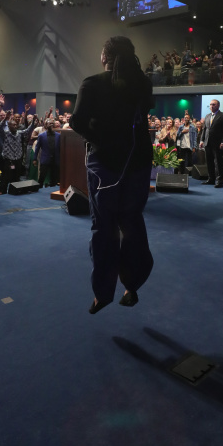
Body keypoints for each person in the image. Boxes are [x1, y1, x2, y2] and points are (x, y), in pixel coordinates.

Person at [70, 36, 153, 314]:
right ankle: (133, 285)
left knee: (104, 227)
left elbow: (77, 121)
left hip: (105, 164)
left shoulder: (92, 83)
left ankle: (103, 293)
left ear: (104, 57)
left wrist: (100, 140)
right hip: (138, 162)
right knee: (132, 221)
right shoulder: (143, 83)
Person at [202, 99, 223, 187]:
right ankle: (211, 179)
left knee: (218, 162)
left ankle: (219, 181)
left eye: (214, 104)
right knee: (209, 162)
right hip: (207, 142)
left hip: (218, 143)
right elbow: (205, 129)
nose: (211, 106)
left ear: (218, 106)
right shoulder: (207, 116)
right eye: (210, 104)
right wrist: (202, 140)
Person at [33, 120, 61, 187]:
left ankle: (52, 189)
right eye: (49, 123)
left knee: (54, 178)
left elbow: (60, 148)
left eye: (52, 123)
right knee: (42, 177)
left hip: (55, 159)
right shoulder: (41, 136)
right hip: (45, 159)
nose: (51, 125)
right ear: (45, 125)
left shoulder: (59, 135)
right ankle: (40, 188)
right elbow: (37, 148)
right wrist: (34, 159)